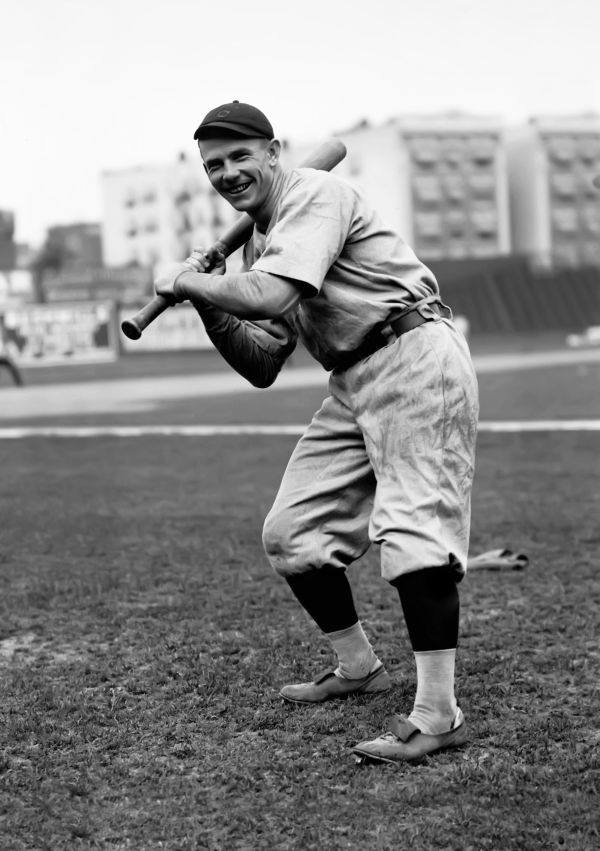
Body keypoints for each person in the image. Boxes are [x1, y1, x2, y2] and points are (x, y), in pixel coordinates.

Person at [154, 101, 479, 764]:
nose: (228, 172)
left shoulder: (318, 191)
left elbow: (272, 297)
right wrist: (209, 302)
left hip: (412, 353)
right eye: (214, 164)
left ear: (274, 151)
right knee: (292, 532)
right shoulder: (257, 241)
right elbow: (263, 362)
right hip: (353, 379)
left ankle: (438, 715)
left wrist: (188, 280)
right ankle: (358, 665)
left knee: (413, 531)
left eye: (240, 156)